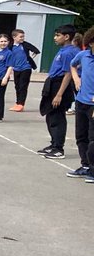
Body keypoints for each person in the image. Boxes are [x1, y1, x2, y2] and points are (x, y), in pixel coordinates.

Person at [37, 25, 79, 159]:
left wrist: (59, 94)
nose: (55, 38)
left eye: (58, 35)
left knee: (57, 117)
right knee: (50, 115)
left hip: (60, 85)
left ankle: (58, 148)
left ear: (66, 37)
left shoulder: (69, 52)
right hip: (53, 82)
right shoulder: (63, 50)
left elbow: (68, 74)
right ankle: (53, 143)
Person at [67, 28, 94, 179]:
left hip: (93, 104)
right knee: (81, 136)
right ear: (91, 43)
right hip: (81, 101)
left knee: (93, 138)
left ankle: (93, 169)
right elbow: (72, 65)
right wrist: (76, 78)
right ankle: (85, 165)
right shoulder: (83, 55)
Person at [8, 29, 39, 112]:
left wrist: (30, 58)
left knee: (23, 86)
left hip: (26, 68)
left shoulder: (25, 45)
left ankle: (21, 104)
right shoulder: (11, 46)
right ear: (14, 37)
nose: (22, 38)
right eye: (20, 37)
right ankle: (18, 103)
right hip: (16, 69)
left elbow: (36, 50)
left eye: (23, 36)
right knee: (17, 86)